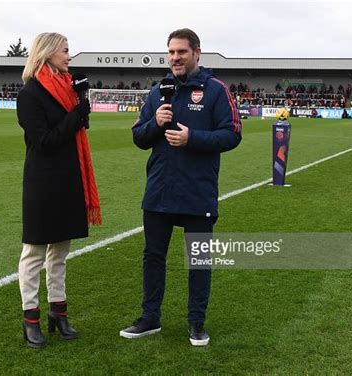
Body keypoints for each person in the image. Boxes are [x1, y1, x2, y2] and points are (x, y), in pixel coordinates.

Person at [120, 28, 242, 346]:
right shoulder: (159, 91)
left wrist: (193, 139)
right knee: (152, 257)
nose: (175, 58)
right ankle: (150, 319)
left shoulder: (216, 90)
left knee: (199, 259)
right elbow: (138, 137)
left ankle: (196, 323)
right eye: (171, 52)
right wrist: (155, 123)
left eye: (182, 52)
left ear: (197, 53)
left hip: (197, 191)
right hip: (159, 189)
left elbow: (232, 134)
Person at [16, 32, 101, 348]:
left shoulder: (69, 91)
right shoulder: (30, 94)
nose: (69, 56)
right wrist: (77, 115)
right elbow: (45, 141)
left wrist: (79, 110)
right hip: (42, 183)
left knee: (60, 252)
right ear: (48, 52)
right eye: (66, 50)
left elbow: (72, 131)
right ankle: (30, 319)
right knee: (35, 252)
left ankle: (58, 314)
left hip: (69, 179)